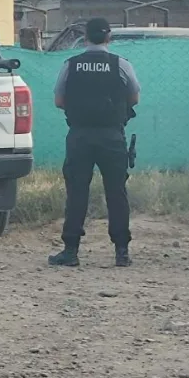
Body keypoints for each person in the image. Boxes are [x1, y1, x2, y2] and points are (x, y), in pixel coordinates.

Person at [49, 17, 141, 268]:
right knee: (117, 193)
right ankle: (121, 251)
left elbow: (59, 101)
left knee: (77, 192)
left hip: (80, 135)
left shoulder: (71, 65)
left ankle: (70, 251)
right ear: (109, 37)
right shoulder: (121, 64)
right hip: (112, 136)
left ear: (85, 37)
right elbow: (134, 97)